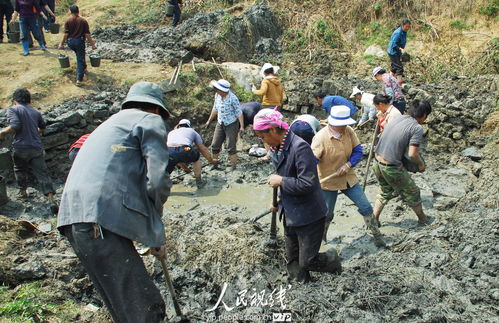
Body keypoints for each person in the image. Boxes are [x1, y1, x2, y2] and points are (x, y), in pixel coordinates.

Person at [57, 82, 171, 323]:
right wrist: (155, 232)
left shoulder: (108, 125)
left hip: (71, 218)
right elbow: (157, 181)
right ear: (156, 109)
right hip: (97, 217)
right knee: (146, 308)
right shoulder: (149, 120)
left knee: (123, 306)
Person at [253, 109, 341, 282]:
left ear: (272, 130)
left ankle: (333, 260)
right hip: (289, 211)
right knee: (292, 257)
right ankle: (300, 283)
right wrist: (279, 199)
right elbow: (287, 174)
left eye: (262, 137)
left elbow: (307, 183)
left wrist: (281, 181)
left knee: (308, 260)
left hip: (308, 213)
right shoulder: (277, 147)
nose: (263, 141)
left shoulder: (299, 147)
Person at [311, 105, 385, 247]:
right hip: (328, 182)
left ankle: (377, 236)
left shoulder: (349, 131)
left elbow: (358, 151)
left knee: (366, 207)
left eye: (346, 123)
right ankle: (322, 239)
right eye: (342, 124)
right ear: (332, 123)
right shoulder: (320, 138)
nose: (345, 126)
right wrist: (309, 180)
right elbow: (310, 162)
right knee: (327, 214)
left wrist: (348, 164)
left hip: (348, 178)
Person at [372, 100, 432, 228]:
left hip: (377, 161)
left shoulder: (400, 118)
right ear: (424, 115)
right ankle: (423, 219)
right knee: (413, 191)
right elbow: (412, 154)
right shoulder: (417, 128)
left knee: (385, 191)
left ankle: (374, 220)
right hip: (390, 167)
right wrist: (420, 165)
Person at [0, 88, 55, 205]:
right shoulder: (35, 112)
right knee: (42, 172)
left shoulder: (13, 109)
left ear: (14, 100)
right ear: (29, 100)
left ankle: (23, 193)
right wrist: (33, 131)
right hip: (36, 147)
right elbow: (42, 127)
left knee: (20, 169)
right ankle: (50, 198)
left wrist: (3, 132)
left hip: (21, 147)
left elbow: (15, 125)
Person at [205, 79, 244, 169]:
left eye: (217, 90)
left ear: (223, 90)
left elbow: (239, 112)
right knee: (215, 145)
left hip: (231, 124)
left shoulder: (233, 98)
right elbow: (215, 108)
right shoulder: (217, 96)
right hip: (220, 122)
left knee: (231, 146)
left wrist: (241, 127)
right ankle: (215, 165)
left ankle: (233, 167)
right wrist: (209, 121)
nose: (216, 91)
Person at [167, 119, 215, 188]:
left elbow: (176, 153)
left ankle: (158, 189)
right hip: (185, 148)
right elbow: (202, 148)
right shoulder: (192, 131)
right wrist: (211, 160)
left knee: (168, 169)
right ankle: (199, 182)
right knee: (196, 155)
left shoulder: (171, 132)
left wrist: (186, 169)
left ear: (178, 126)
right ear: (189, 126)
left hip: (168, 151)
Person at [58, 5, 97, 85]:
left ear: (70, 11)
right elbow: (87, 34)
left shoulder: (68, 20)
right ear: (78, 11)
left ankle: (84, 68)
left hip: (70, 42)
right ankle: (79, 79)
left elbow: (66, 34)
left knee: (80, 56)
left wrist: (61, 44)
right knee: (80, 59)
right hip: (79, 42)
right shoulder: (83, 21)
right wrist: (93, 45)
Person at [388, 19, 411, 85]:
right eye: (406, 26)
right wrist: (400, 49)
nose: (408, 28)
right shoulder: (397, 33)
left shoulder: (404, 32)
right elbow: (393, 45)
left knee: (394, 67)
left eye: (409, 27)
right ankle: (399, 83)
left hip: (397, 52)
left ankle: (389, 81)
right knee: (399, 67)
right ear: (402, 25)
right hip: (393, 52)